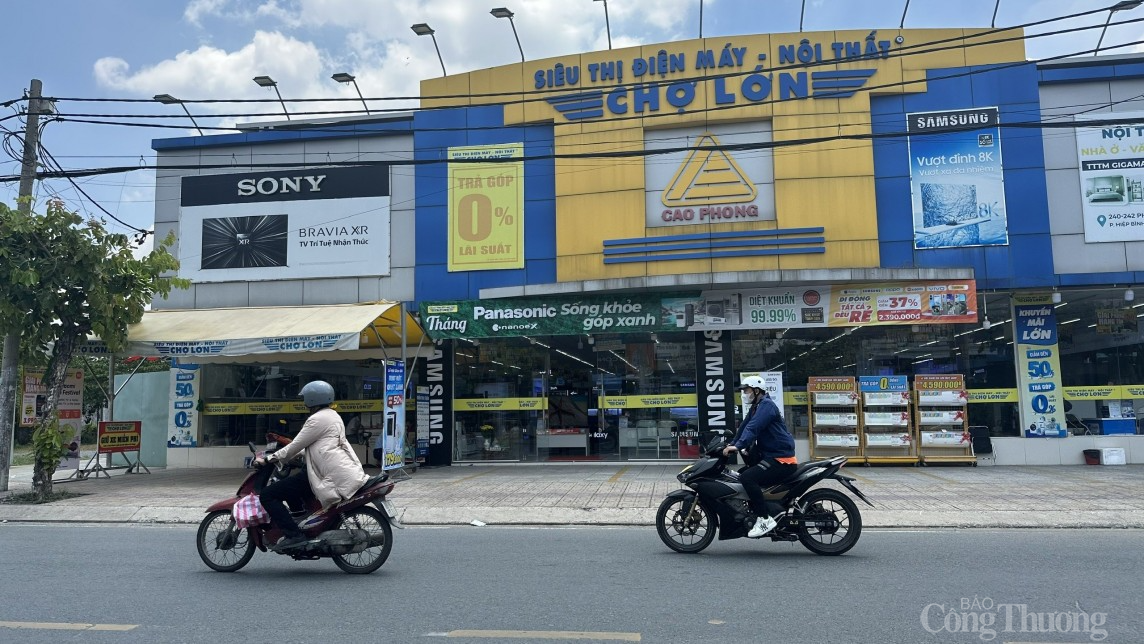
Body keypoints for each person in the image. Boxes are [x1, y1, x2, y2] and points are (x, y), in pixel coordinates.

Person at [254, 380, 371, 550]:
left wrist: (269, 459)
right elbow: (316, 446)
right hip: (331, 468)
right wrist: (298, 457)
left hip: (323, 473)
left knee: (268, 495)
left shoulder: (316, 419)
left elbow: (296, 445)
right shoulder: (332, 415)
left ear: (312, 399)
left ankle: (294, 535)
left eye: (305, 399)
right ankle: (302, 520)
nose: (303, 402)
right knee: (289, 487)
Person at [722, 375, 797, 538]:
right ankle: (757, 511)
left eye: (746, 390)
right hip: (772, 457)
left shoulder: (767, 406)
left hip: (781, 459)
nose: (744, 394)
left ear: (757, 391)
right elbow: (744, 426)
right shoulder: (756, 407)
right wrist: (731, 444)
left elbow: (753, 428)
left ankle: (764, 518)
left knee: (748, 478)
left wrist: (739, 445)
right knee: (740, 474)